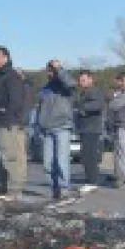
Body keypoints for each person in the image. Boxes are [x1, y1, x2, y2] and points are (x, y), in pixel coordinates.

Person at [0, 46, 26, 201]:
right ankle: (4, 189)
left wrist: (5, 113)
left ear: (5, 58)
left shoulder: (12, 76)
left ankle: (15, 191)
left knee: (11, 158)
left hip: (8, 123)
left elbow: (16, 101)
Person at [37, 59, 76, 200]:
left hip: (62, 126)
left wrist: (59, 68)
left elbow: (71, 83)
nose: (50, 72)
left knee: (61, 160)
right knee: (47, 163)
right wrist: (38, 125)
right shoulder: (45, 88)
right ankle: (54, 189)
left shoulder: (64, 85)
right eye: (49, 70)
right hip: (46, 128)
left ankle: (64, 188)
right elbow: (40, 108)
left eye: (52, 70)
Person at [76, 69, 104, 194]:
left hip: (92, 128)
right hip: (86, 128)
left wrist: (82, 108)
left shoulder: (94, 91)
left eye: (84, 80)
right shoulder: (84, 92)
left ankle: (92, 182)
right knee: (86, 155)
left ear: (90, 79)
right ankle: (90, 180)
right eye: (80, 80)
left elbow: (98, 105)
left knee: (89, 156)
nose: (81, 82)